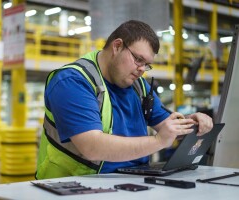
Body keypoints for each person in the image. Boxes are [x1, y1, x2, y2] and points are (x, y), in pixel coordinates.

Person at [35, 20, 213, 179]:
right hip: (71, 186)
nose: (142, 69)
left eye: (146, 65)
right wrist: (158, 141)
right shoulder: (73, 81)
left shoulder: (139, 86)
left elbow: (169, 126)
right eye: (138, 59)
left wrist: (193, 123)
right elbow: (91, 147)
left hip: (129, 182)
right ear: (117, 46)